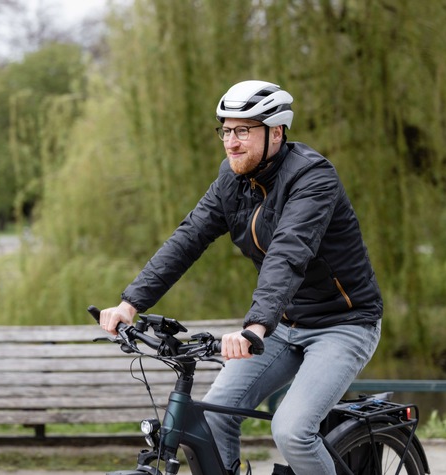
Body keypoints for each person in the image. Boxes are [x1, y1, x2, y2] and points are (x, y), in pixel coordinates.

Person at [98, 80, 383, 475]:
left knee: (292, 431)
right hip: (284, 324)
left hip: (343, 324)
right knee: (215, 416)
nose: (231, 142)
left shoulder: (313, 178)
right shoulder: (232, 181)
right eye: (227, 130)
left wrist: (255, 326)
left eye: (244, 130)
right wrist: (130, 303)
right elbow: (188, 238)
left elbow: (289, 252)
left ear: (276, 133)